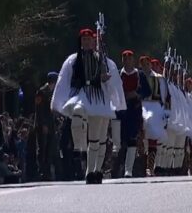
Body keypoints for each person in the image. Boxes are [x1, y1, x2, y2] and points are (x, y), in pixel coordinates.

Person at [51, 28, 126, 184]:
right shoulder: (73, 59)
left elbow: (111, 81)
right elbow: (63, 80)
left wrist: (106, 81)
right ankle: (79, 148)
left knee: (96, 137)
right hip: (82, 94)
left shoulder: (102, 59)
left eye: (89, 39)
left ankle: (92, 171)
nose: (86, 42)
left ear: (94, 41)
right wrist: (57, 101)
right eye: (83, 40)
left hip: (98, 97)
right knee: (77, 112)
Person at [137, 56, 168, 177]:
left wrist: (166, 112)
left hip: (155, 106)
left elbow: (165, 96)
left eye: (147, 64)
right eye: (143, 64)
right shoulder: (138, 76)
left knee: (153, 135)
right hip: (141, 105)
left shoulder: (159, 78)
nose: (146, 66)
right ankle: (140, 164)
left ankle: (150, 166)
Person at [117, 50, 143, 178]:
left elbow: (147, 91)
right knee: (120, 140)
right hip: (122, 110)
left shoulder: (139, 75)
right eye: (125, 58)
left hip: (134, 109)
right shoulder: (118, 74)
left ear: (133, 60)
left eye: (130, 58)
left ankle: (128, 169)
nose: (127, 61)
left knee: (132, 139)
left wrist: (136, 94)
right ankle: (117, 167)